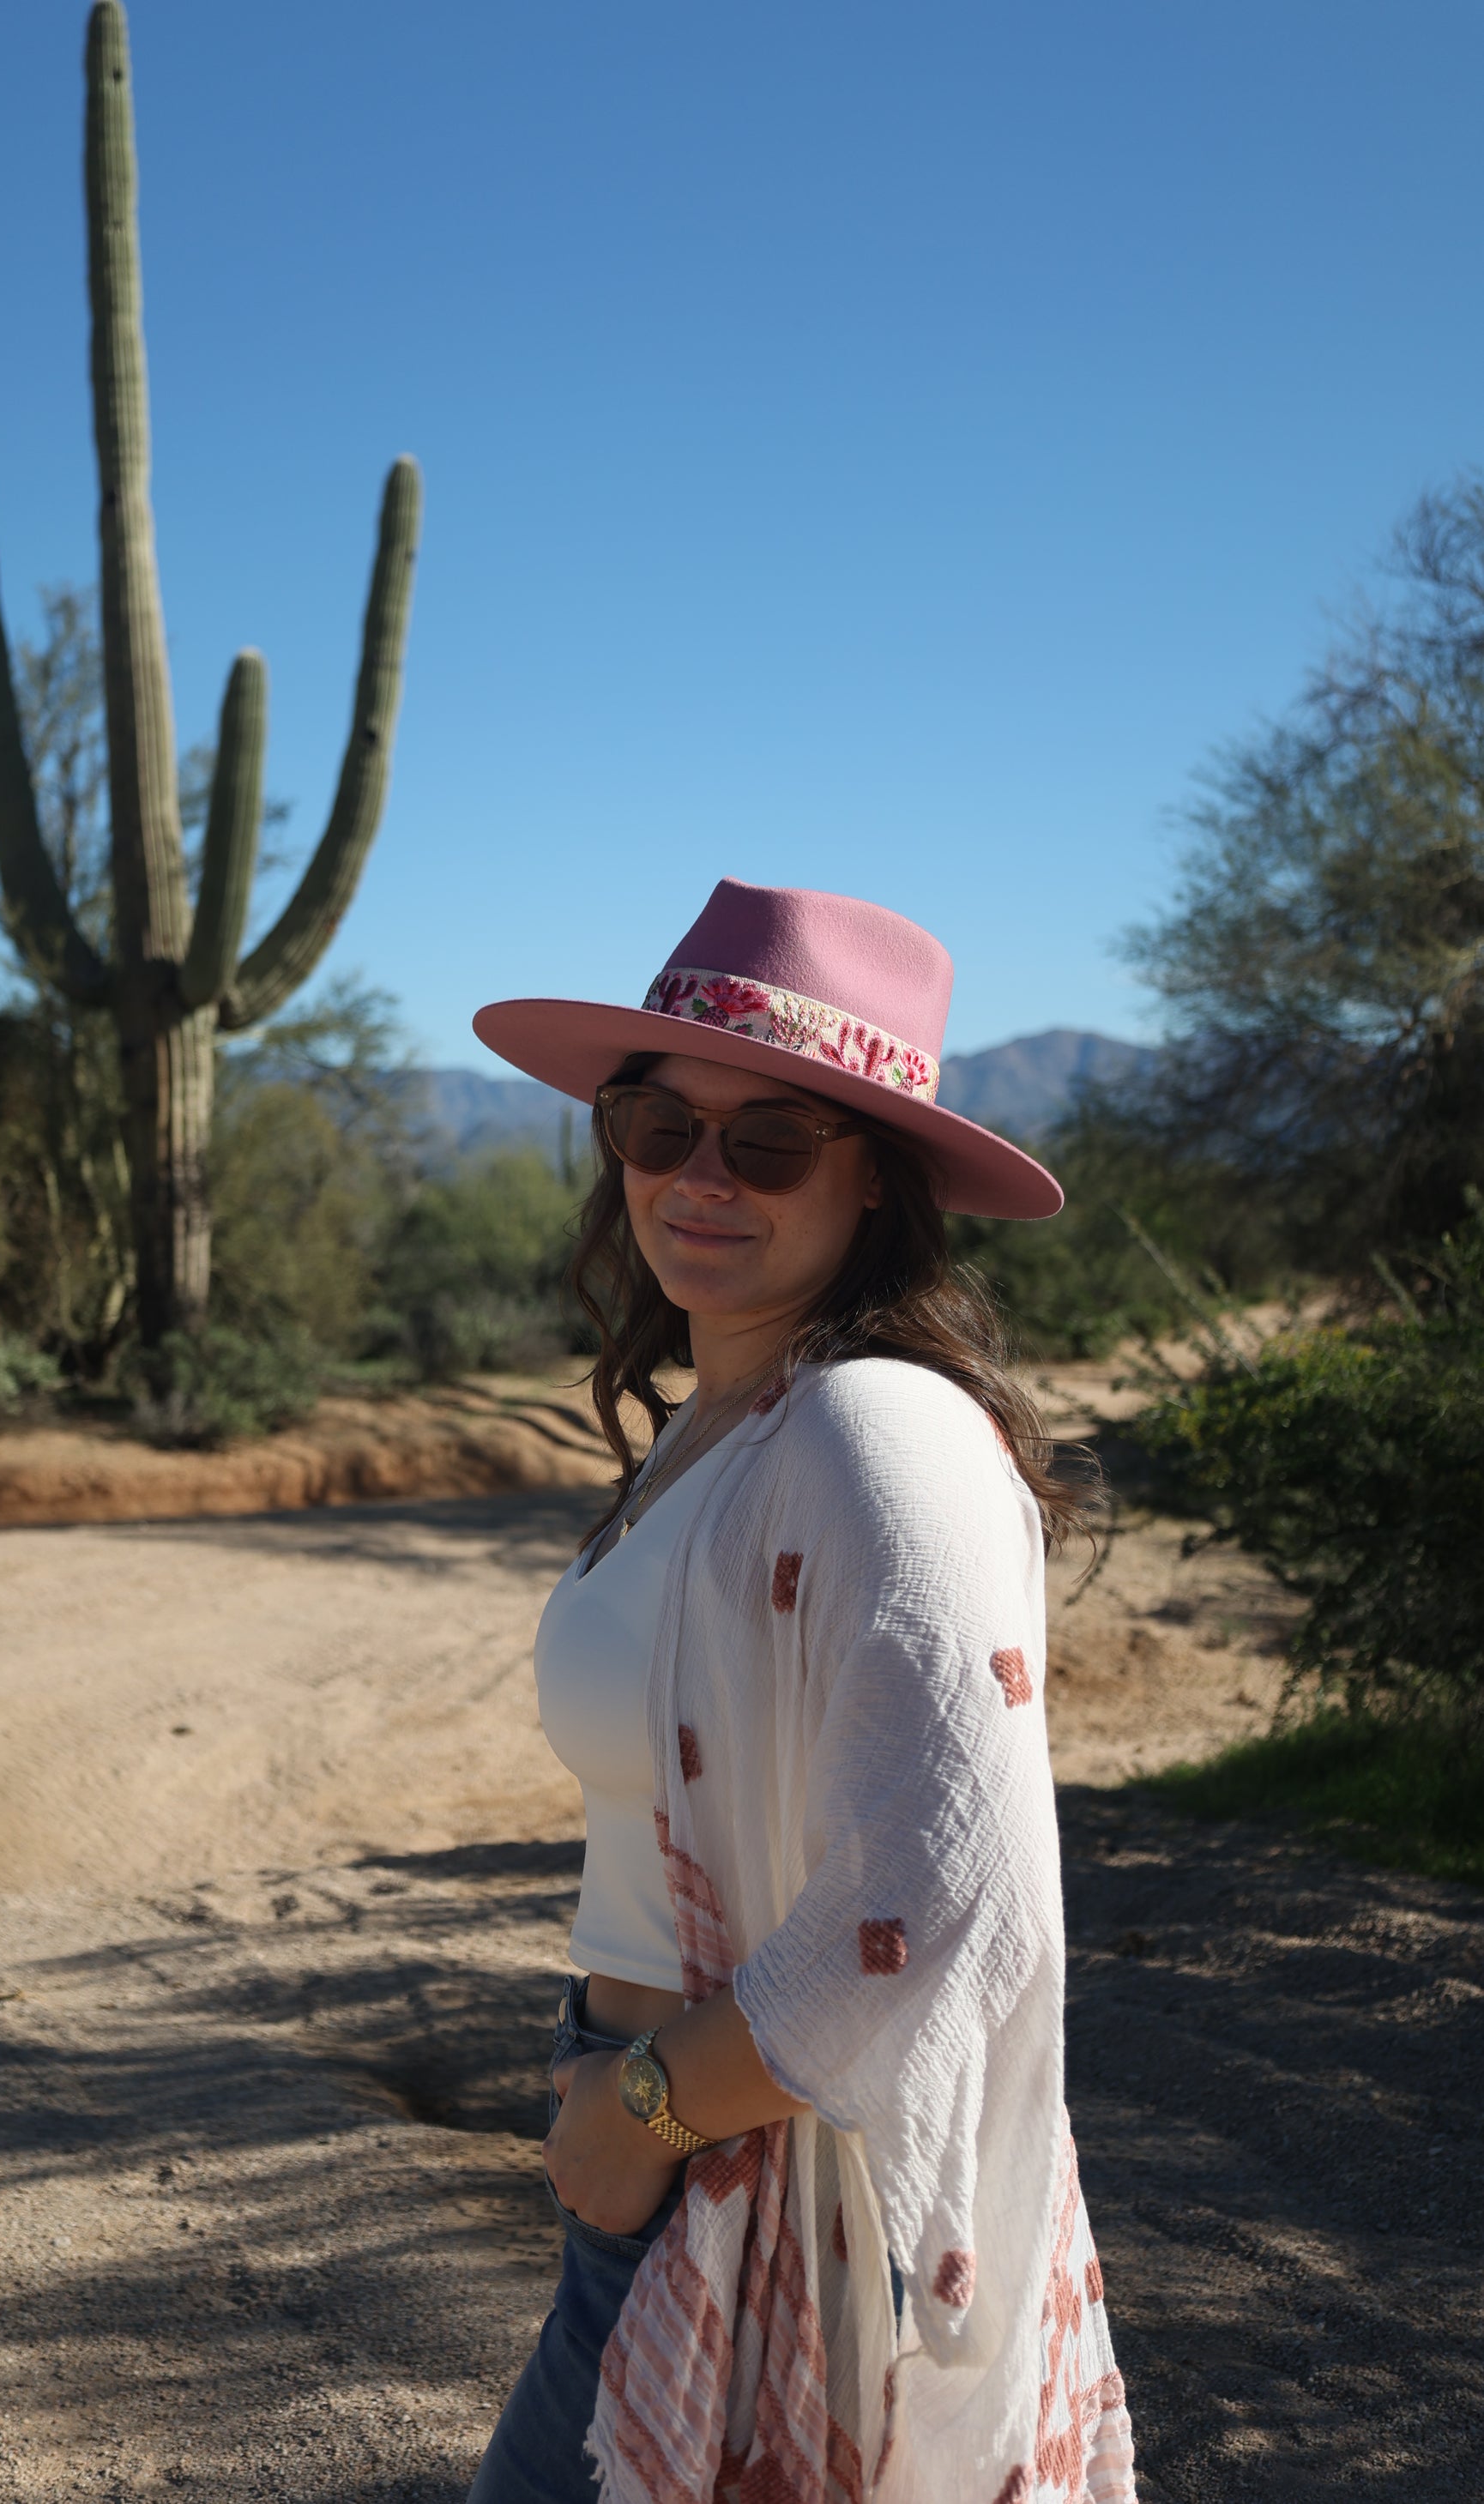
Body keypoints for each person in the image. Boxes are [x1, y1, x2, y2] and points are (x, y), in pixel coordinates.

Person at [466, 878, 1137, 2504]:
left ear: (873, 1178)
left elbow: (939, 1893)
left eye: (768, 1142)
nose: (698, 1176)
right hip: (694, 2151)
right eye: (657, 1124)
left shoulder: (873, 1430)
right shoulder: (724, 1422)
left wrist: (642, 2109)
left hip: (756, 2163)